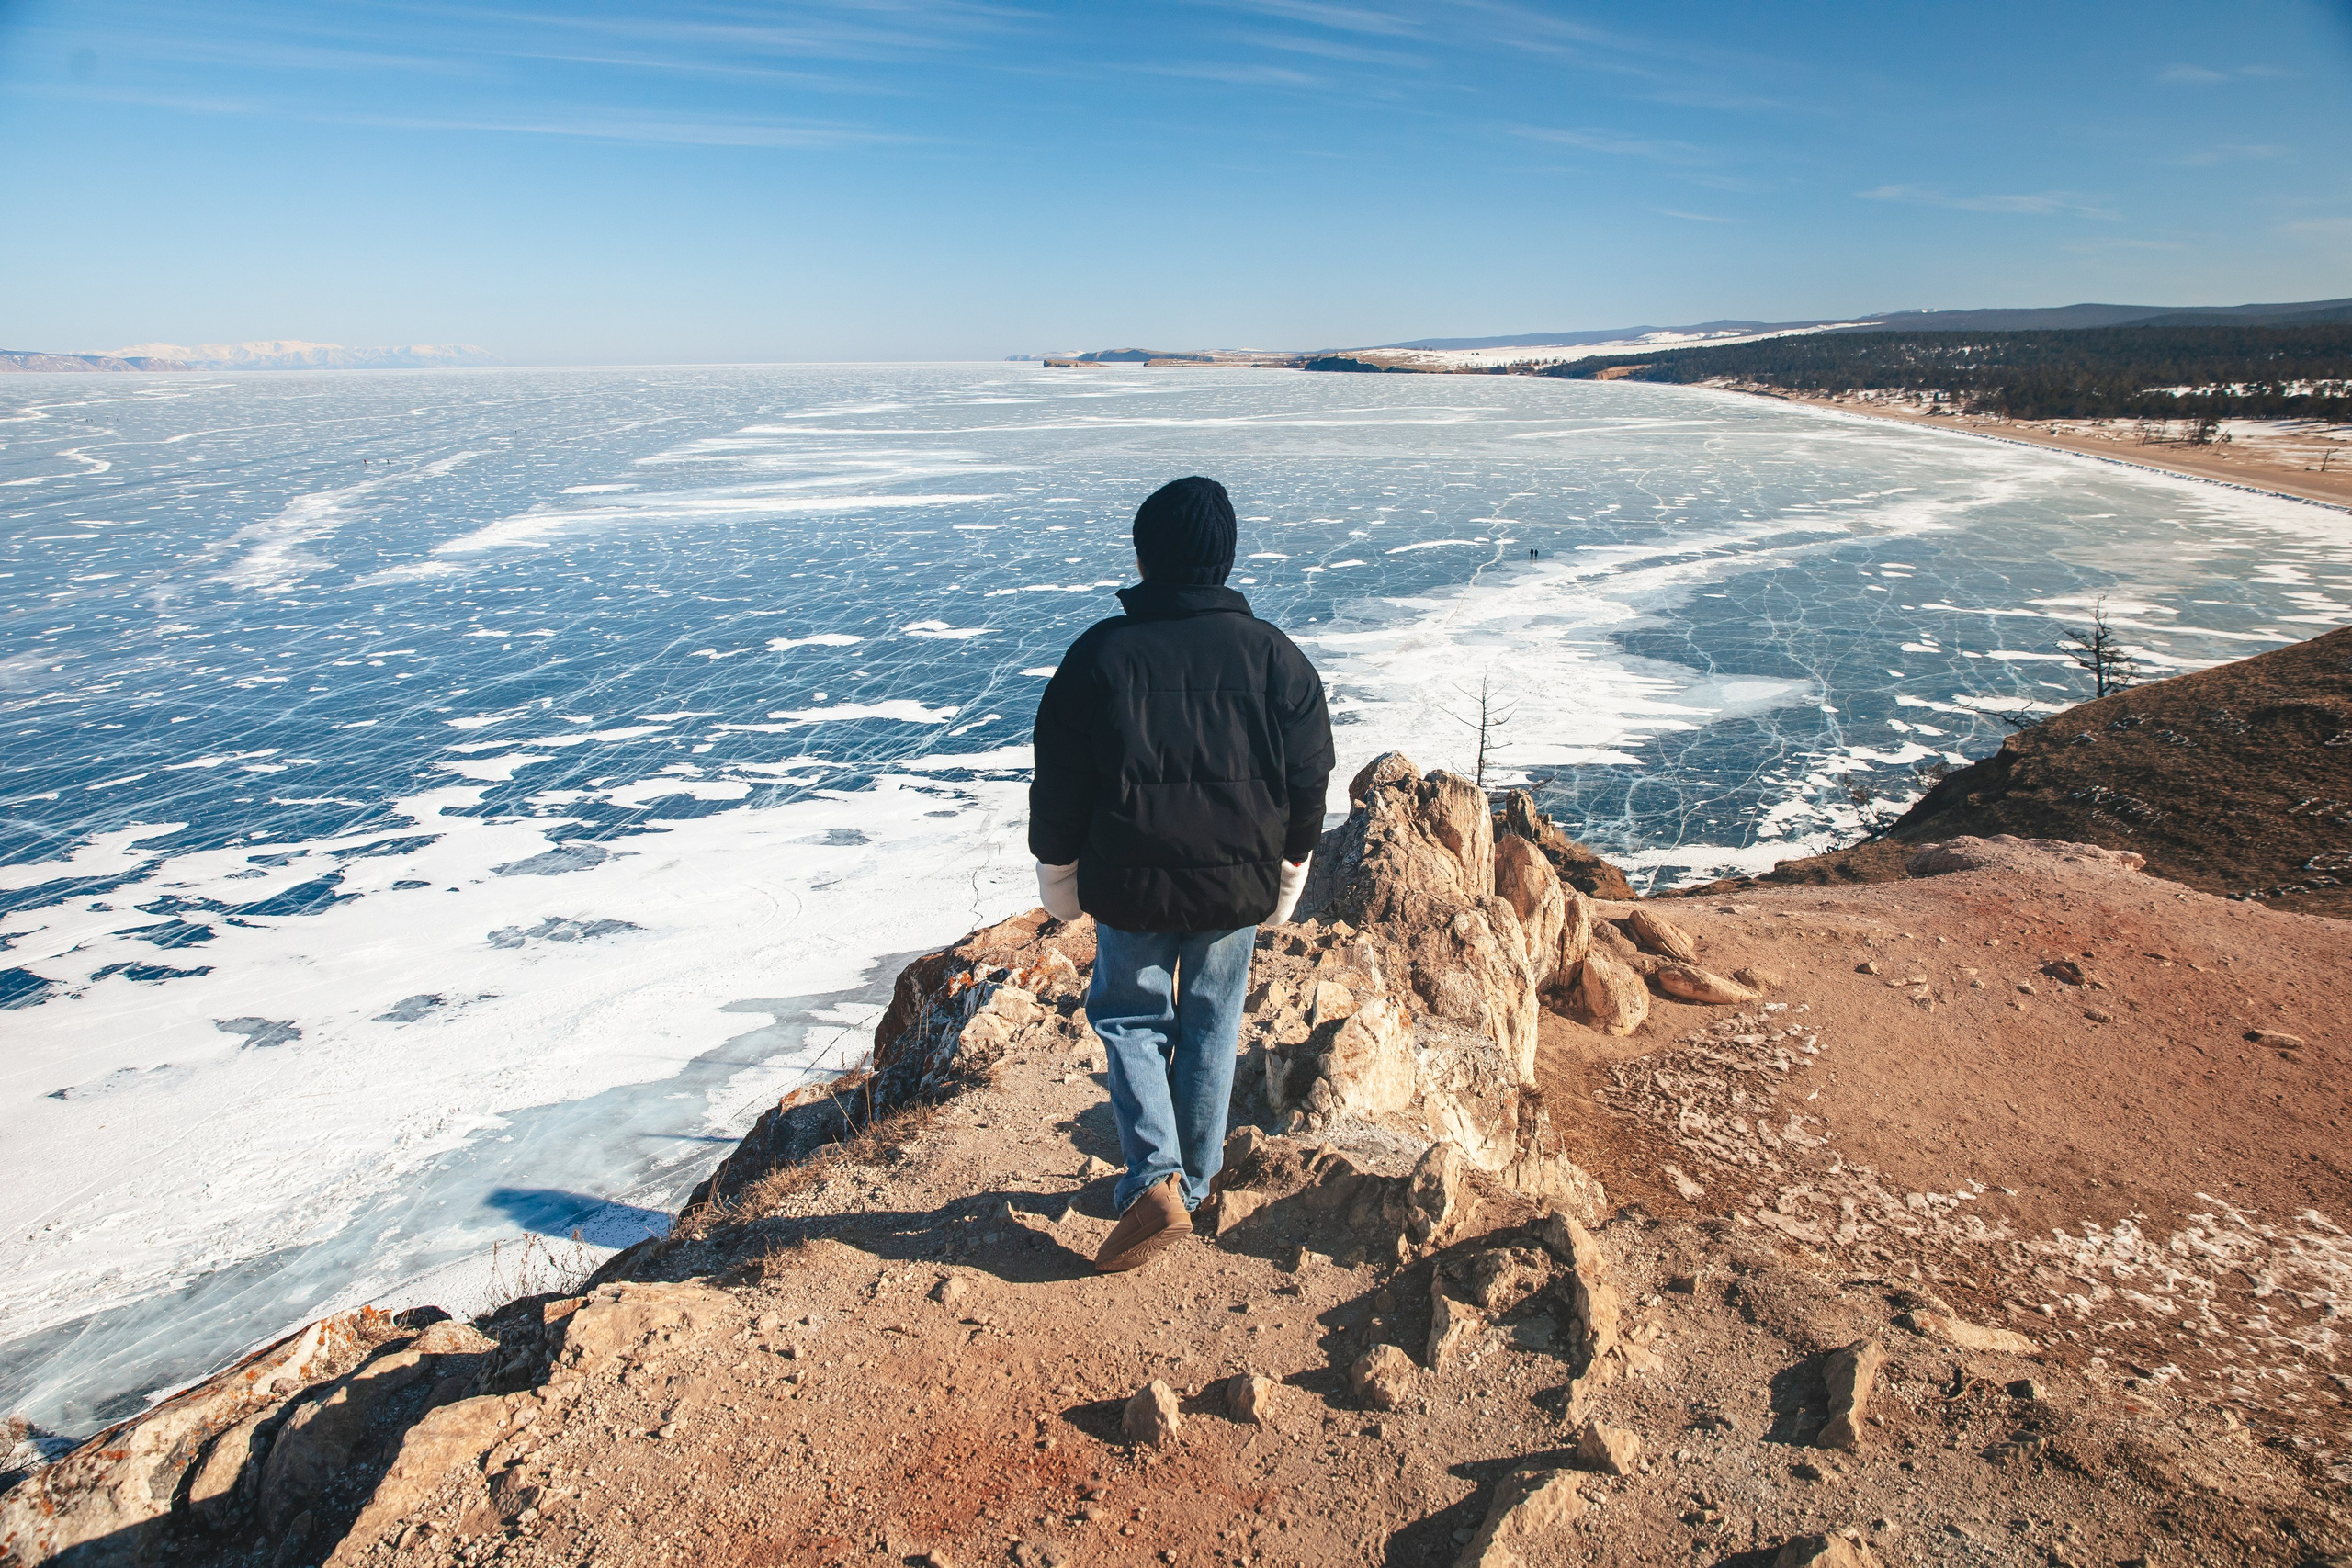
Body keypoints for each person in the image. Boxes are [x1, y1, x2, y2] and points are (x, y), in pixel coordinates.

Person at [1029, 476, 1334, 1273]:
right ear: (1225, 559)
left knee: (1131, 1017)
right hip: (1237, 881)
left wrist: (1057, 870)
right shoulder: (1275, 655)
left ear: (1145, 556)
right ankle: (1190, 1184)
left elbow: (1060, 777)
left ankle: (1157, 1176)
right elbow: (1310, 774)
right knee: (1211, 1023)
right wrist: (1293, 861)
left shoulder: (1100, 654)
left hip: (1129, 879)